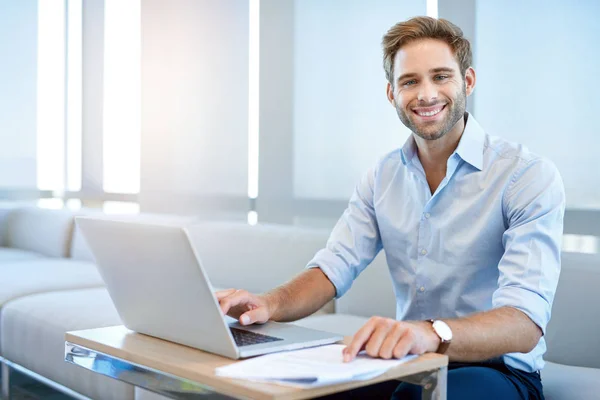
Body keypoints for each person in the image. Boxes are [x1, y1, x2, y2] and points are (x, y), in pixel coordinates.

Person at [217, 16, 564, 400]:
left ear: (467, 82)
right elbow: (334, 267)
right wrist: (269, 303)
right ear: (391, 94)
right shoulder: (381, 176)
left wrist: (429, 332)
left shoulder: (526, 176)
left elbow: (524, 322)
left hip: (498, 371)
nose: (426, 94)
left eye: (441, 76)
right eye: (410, 81)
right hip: (410, 361)